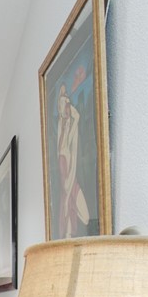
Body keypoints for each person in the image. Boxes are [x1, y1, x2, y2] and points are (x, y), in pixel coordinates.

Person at [56, 84, 90, 237]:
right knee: (70, 224)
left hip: (72, 184)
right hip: (68, 184)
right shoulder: (62, 154)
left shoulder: (71, 124)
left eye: (69, 105)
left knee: (87, 218)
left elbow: (76, 116)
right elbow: (65, 182)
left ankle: (70, 208)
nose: (68, 108)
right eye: (65, 105)